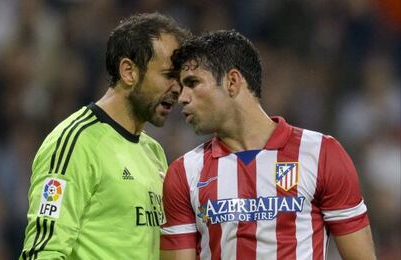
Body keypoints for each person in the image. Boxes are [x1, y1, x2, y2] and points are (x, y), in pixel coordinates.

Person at [160, 30, 376, 260]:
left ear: (232, 82)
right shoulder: (184, 172)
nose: (182, 97)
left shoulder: (320, 153)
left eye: (193, 83)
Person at [20, 13, 189, 259]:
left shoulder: (153, 152)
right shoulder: (75, 142)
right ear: (129, 71)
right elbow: (42, 253)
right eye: (168, 75)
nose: (177, 88)